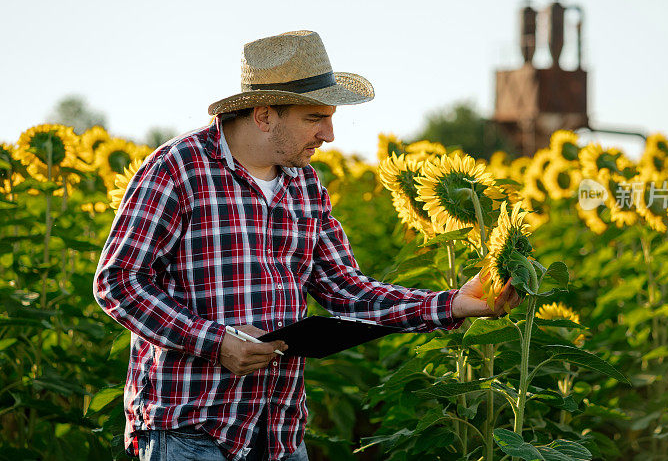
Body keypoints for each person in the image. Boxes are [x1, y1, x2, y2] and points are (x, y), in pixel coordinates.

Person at [93, 30, 521, 461]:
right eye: (315, 117)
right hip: (192, 429)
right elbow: (118, 282)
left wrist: (453, 304)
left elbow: (346, 289)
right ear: (264, 115)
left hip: (279, 431)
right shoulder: (179, 168)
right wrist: (216, 341)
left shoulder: (306, 185)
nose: (329, 134)